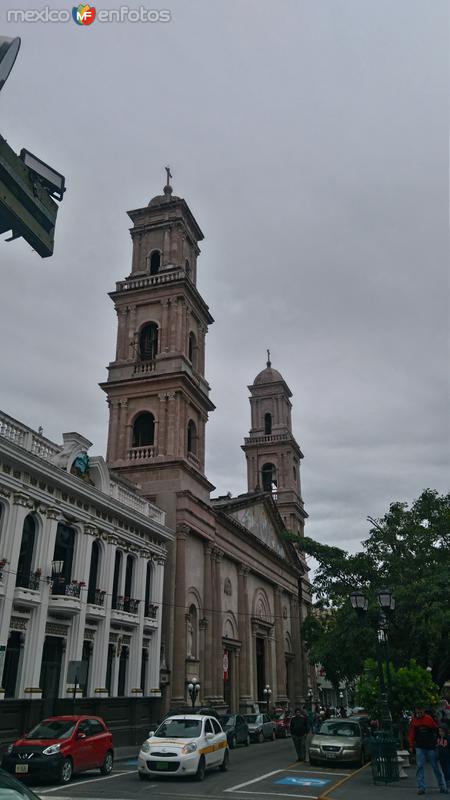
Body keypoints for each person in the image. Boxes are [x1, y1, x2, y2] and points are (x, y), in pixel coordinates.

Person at [408, 705, 448, 795]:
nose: (418, 714)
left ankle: (442, 786)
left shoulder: (428, 719)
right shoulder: (414, 720)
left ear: (423, 711)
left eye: (420, 712)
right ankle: (422, 787)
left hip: (430, 746)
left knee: (435, 767)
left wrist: (439, 741)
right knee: (420, 767)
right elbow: (411, 734)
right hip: (420, 746)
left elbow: (436, 729)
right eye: (417, 712)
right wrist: (411, 745)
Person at [437, 724, 450, 791]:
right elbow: (438, 747)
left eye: (442, 731)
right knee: (444, 772)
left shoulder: (448, 739)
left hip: (447, 758)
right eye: (439, 731)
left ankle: (448, 786)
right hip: (441, 758)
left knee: (448, 771)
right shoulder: (439, 739)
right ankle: (447, 786)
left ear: (445, 731)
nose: (440, 733)